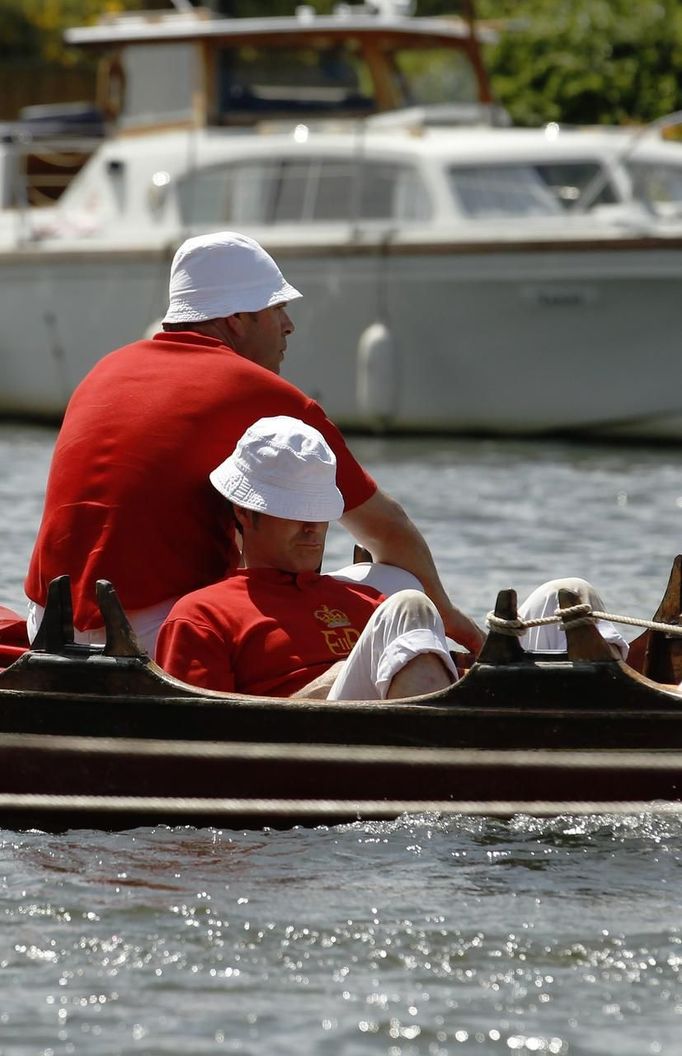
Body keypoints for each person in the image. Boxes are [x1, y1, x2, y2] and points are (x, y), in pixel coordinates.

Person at [24, 230, 484, 657]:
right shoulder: (264, 394)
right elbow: (386, 529)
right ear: (238, 319)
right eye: (277, 308)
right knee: (402, 584)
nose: (288, 326)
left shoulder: (105, 370)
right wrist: (459, 626)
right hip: (165, 634)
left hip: (47, 625)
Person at [156, 417, 459, 700]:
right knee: (410, 605)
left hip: (385, 739)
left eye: (318, 512)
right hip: (296, 747)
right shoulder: (204, 617)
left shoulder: (370, 603)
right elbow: (199, 733)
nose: (312, 529)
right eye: (295, 512)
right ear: (244, 511)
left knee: (413, 609)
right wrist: (325, 686)